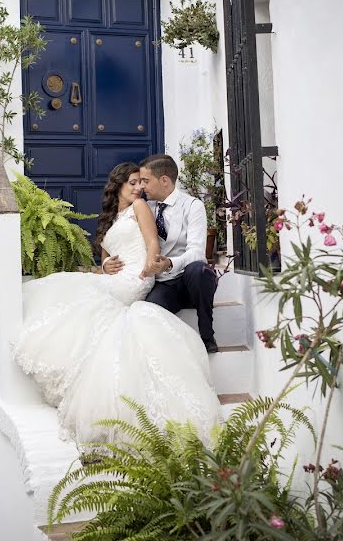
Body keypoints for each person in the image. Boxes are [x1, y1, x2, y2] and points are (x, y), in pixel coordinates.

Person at [12, 163, 221, 445]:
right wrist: (106, 264)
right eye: (132, 183)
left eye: (140, 182)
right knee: (75, 289)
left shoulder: (141, 208)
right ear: (118, 186)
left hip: (137, 277)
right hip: (118, 275)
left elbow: (153, 244)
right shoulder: (111, 217)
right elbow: (105, 259)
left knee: (83, 297)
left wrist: (148, 268)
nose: (138, 188)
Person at [103, 154, 219, 353]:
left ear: (164, 180)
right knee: (150, 311)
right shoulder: (143, 207)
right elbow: (119, 239)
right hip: (163, 284)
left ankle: (207, 334)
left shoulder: (192, 206)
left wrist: (170, 263)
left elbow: (197, 252)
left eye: (145, 181)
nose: (141, 187)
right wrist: (106, 264)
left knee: (199, 270)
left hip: (188, 280)